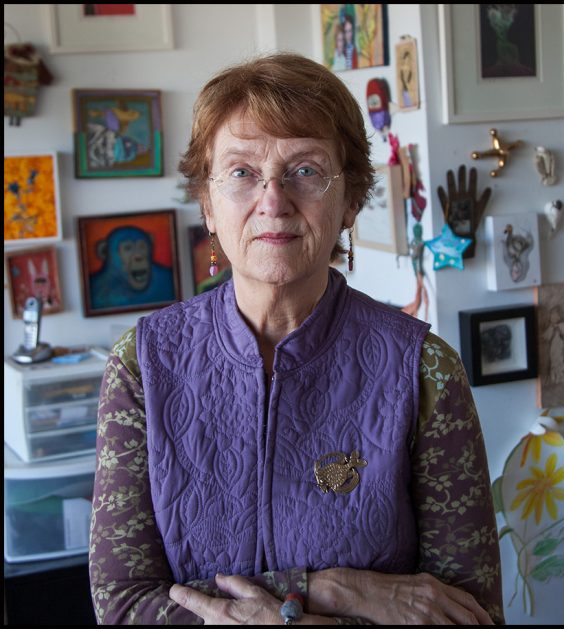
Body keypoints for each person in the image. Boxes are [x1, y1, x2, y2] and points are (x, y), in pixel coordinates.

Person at [89, 52, 505, 625]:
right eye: (242, 173)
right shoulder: (141, 365)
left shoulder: (424, 369)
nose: (273, 201)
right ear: (208, 204)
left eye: (305, 170)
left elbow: (472, 615)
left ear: (350, 199)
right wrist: (333, 590)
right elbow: (122, 605)